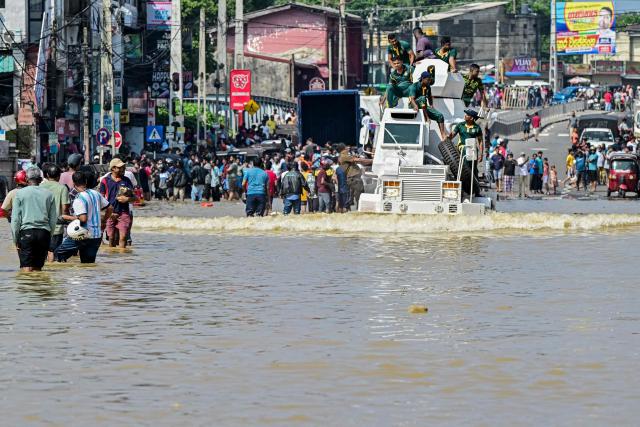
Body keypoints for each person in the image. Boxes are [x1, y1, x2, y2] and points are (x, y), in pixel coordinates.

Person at [55, 171, 112, 264]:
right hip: (96, 236)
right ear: (85, 181)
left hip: (82, 235)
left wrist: (65, 217)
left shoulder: (79, 198)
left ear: (73, 183)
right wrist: (104, 220)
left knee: (57, 255)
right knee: (88, 264)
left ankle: (63, 276)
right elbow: (110, 208)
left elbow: (83, 219)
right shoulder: (95, 194)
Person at [10, 167, 57, 272]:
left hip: (26, 233)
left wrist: (15, 239)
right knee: (38, 269)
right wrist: (49, 235)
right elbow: (53, 220)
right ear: (40, 180)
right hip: (44, 233)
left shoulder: (19, 194)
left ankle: (28, 287)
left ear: (26, 179)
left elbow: (15, 220)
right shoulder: (49, 194)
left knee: (26, 270)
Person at [99, 158, 134, 248]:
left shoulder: (126, 180)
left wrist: (127, 199)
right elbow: (101, 199)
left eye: (123, 167)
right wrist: (107, 213)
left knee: (123, 238)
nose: (123, 168)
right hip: (110, 213)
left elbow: (134, 197)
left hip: (124, 212)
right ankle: (113, 259)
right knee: (111, 238)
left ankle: (122, 259)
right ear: (113, 168)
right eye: (120, 167)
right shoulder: (105, 181)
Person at [40, 164, 70, 261]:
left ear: (47, 175)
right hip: (57, 226)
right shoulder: (62, 188)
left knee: (42, 255)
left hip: (41, 225)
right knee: (54, 254)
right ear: (59, 176)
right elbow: (65, 209)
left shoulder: (40, 186)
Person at [409, 70, 447, 141]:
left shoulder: (428, 87)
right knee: (423, 98)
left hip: (423, 106)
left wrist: (431, 105)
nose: (429, 81)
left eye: (430, 80)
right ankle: (426, 118)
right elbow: (412, 99)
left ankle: (443, 134)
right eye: (428, 80)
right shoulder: (414, 86)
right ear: (422, 79)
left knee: (440, 116)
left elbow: (429, 97)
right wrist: (415, 106)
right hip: (414, 105)